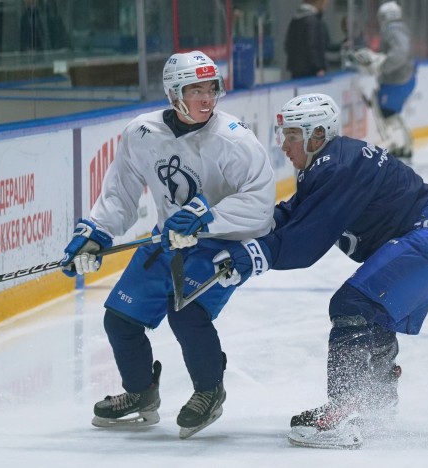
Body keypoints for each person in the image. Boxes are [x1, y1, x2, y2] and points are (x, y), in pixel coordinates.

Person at [211, 93, 428, 449]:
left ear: (317, 135)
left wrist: (251, 256)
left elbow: (305, 241)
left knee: (351, 304)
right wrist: (236, 226)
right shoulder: (331, 163)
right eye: (283, 134)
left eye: (292, 135)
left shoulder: (336, 166)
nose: (284, 145)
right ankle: (376, 403)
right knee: (374, 312)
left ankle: (341, 412)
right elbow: (293, 214)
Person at [59, 51, 275, 439]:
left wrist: (206, 217)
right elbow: (119, 195)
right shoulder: (141, 133)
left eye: (211, 88)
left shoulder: (234, 139)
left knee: (186, 314)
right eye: (196, 90)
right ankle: (141, 393)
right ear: (174, 93)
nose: (207, 98)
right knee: (120, 320)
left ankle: (209, 390)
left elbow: (261, 205)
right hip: (168, 241)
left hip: (219, 245)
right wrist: (96, 232)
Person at [350, 1, 417, 159]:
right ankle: (405, 146)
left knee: (388, 115)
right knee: (392, 114)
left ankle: (399, 146)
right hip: (402, 78)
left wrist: (382, 65)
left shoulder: (393, 29)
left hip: (396, 80)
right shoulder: (401, 28)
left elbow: (399, 53)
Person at [284, 0, 330, 78]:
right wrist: (318, 68)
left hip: (296, 70)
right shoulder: (312, 21)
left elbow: (287, 44)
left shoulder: (296, 19)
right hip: (310, 72)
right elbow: (311, 47)